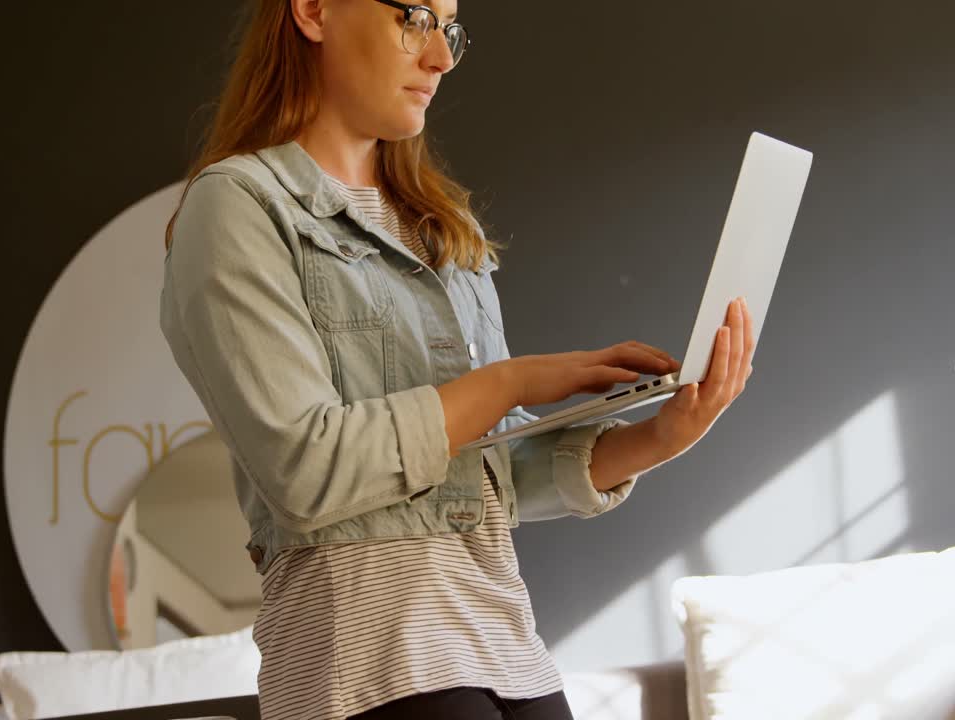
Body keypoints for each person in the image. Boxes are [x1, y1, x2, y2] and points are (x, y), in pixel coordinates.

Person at [159, 0, 755, 718]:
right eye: (414, 16)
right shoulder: (240, 209)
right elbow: (305, 468)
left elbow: (485, 475)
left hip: (506, 645)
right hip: (365, 658)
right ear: (313, 10)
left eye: (451, 27)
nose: (441, 57)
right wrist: (510, 382)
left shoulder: (445, 229)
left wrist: (661, 435)